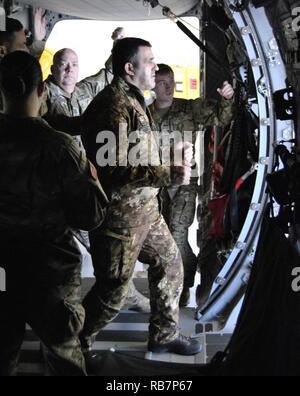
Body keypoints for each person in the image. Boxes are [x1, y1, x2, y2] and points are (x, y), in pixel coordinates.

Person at [80, 37, 202, 367]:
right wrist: (169, 172)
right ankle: (74, 344)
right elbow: (115, 166)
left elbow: (136, 152)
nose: (155, 66)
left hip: (145, 210)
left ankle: (164, 335)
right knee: (112, 292)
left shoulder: (134, 100)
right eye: (149, 61)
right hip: (120, 218)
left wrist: (171, 156)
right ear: (130, 68)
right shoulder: (114, 106)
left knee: (170, 263)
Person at [0, 51, 108, 376]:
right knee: (65, 361)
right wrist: (92, 175)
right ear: (42, 91)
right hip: (48, 274)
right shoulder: (61, 148)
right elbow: (90, 217)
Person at [44, 47, 149, 312]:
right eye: (63, 65)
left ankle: (123, 293)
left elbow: (106, 74)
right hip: (53, 189)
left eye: (74, 65)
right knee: (62, 254)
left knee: (101, 243)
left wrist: (118, 45)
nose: (69, 70)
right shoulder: (43, 95)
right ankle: (66, 312)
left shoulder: (83, 90)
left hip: (82, 184)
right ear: (52, 68)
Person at [149, 64, 235, 306]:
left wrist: (227, 99)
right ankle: (170, 280)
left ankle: (184, 284)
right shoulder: (144, 114)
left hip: (185, 184)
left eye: (171, 81)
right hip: (156, 186)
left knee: (176, 235)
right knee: (160, 240)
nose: (168, 87)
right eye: (162, 82)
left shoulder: (188, 108)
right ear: (152, 85)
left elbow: (222, 115)